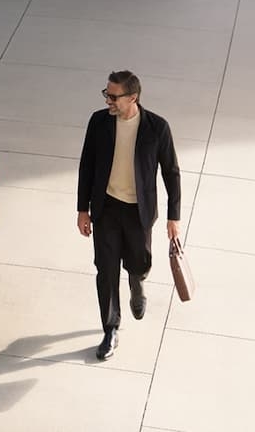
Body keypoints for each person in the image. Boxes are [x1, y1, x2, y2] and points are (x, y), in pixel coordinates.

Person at [75, 70, 182, 360]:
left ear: (132, 97)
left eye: (113, 96)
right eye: (106, 94)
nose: (108, 100)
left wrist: (174, 217)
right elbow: (87, 164)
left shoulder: (156, 128)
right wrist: (82, 209)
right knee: (106, 270)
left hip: (139, 211)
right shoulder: (99, 122)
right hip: (106, 208)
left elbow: (171, 172)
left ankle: (137, 283)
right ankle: (111, 329)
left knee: (139, 263)